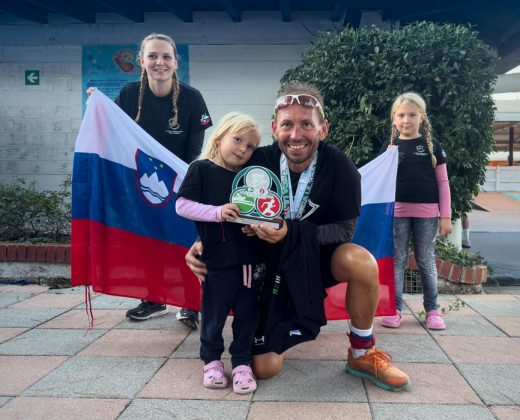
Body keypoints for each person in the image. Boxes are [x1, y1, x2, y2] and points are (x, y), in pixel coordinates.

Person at [185, 82, 411, 392]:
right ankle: (284, 325)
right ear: (275, 128)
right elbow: (223, 205)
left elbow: (345, 230)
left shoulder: (340, 166)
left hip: (315, 260)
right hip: (270, 267)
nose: (296, 135)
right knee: (264, 369)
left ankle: (362, 352)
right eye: (287, 125)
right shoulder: (256, 160)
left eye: (306, 124)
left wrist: (290, 233)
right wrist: (201, 242)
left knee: (362, 262)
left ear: (323, 129)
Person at [88, 33, 212, 325]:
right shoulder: (129, 95)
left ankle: (190, 304)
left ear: (175, 62)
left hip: (181, 181)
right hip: (141, 181)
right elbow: (114, 132)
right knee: (149, 241)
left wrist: (182, 183)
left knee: (183, 240)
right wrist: (98, 106)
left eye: (166, 56)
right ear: (142, 61)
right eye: (152, 56)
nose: (160, 62)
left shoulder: (192, 98)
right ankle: (154, 299)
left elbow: (194, 151)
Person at [176, 112, 263, 394]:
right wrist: (217, 212)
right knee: (213, 316)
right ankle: (211, 362)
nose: (243, 149)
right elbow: (182, 206)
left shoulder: (249, 177)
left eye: (250, 146)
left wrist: (256, 227)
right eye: (238, 140)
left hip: (250, 263)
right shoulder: (200, 169)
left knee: (248, 316)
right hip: (215, 262)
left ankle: (242, 363)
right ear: (219, 137)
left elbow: (260, 212)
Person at [380, 92, 452, 331]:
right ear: (394, 118)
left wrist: (446, 216)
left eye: (412, 114)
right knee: (397, 261)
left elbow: (443, 183)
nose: (406, 120)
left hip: (428, 215)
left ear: (422, 117)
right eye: (401, 115)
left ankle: (432, 310)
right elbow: (379, 181)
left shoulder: (432, 147)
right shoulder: (389, 147)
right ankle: (394, 309)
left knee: (426, 260)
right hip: (396, 214)